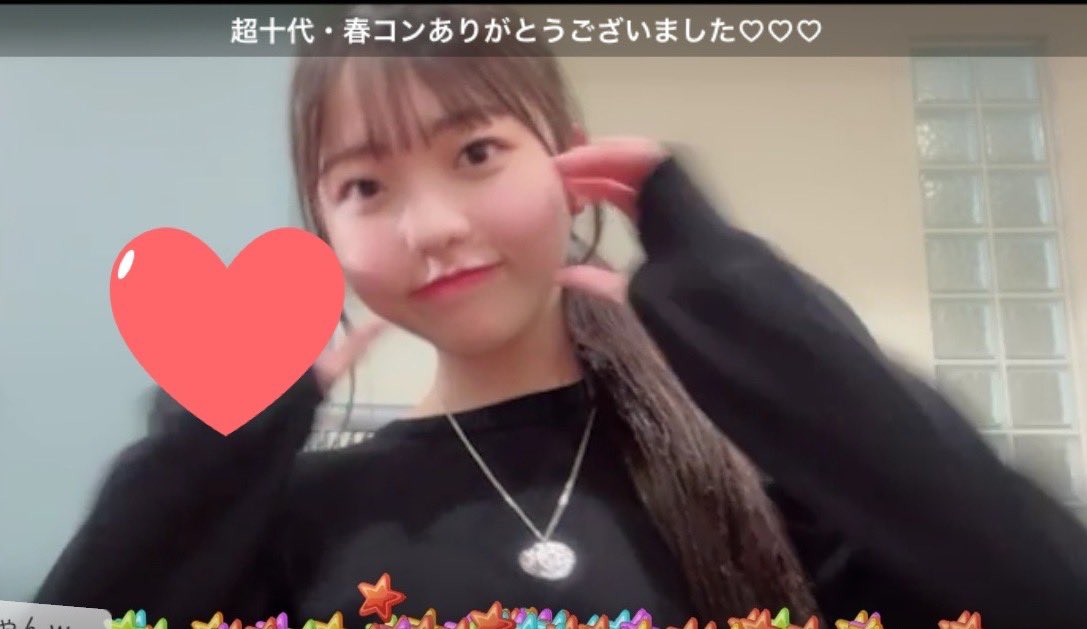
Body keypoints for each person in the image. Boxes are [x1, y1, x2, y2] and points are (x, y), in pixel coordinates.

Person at [34, 5, 1087, 629]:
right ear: (324, 230)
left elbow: (1047, 592)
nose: (432, 226)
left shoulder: (759, 487)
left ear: (565, 154)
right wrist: (216, 433)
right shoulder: (294, 521)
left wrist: (742, 307)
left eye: (475, 152)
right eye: (363, 185)